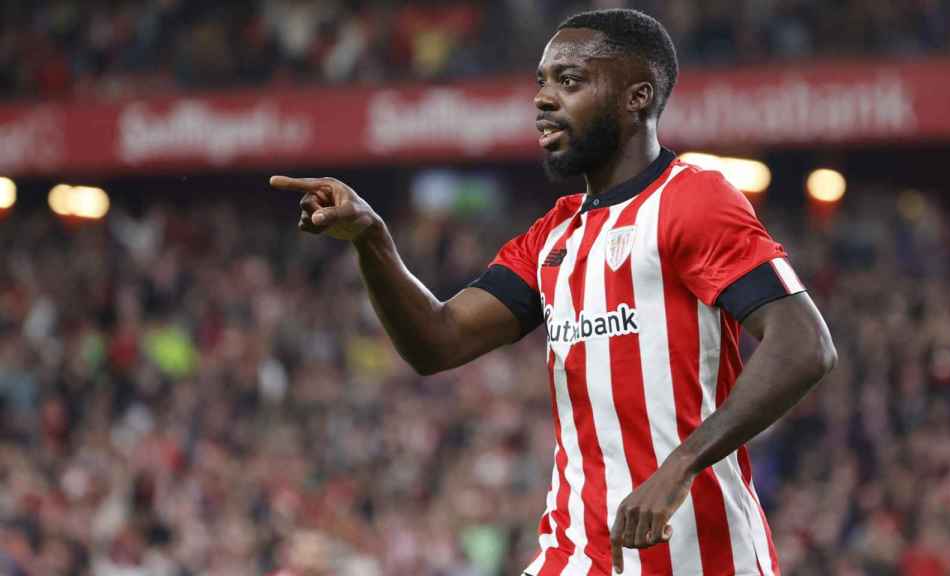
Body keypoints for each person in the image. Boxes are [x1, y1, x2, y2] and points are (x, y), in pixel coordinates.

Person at [270, 8, 836, 576]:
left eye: (569, 81)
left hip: (704, 558)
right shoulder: (552, 238)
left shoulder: (694, 201)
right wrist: (372, 240)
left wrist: (680, 464)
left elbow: (805, 343)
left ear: (636, 96)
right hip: (578, 556)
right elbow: (436, 343)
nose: (543, 99)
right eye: (541, 82)